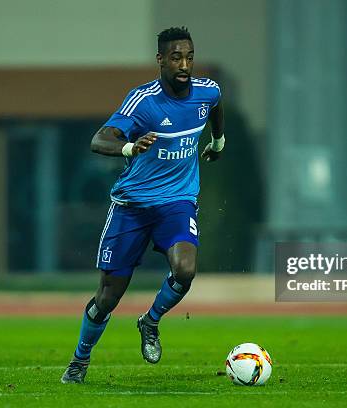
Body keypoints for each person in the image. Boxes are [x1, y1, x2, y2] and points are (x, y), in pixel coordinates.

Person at [61, 26, 225, 384]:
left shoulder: (207, 92)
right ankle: (79, 361)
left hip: (177, 203)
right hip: (132, 207)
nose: (185, 64)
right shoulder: (143, 101)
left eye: (190, 56)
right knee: (108, 297)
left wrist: (218, 140)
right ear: (161, 60)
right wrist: (128, 147)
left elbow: (214, 108)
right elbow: (99, 138)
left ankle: (150, 321)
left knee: (185, 270)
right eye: (176, 57)